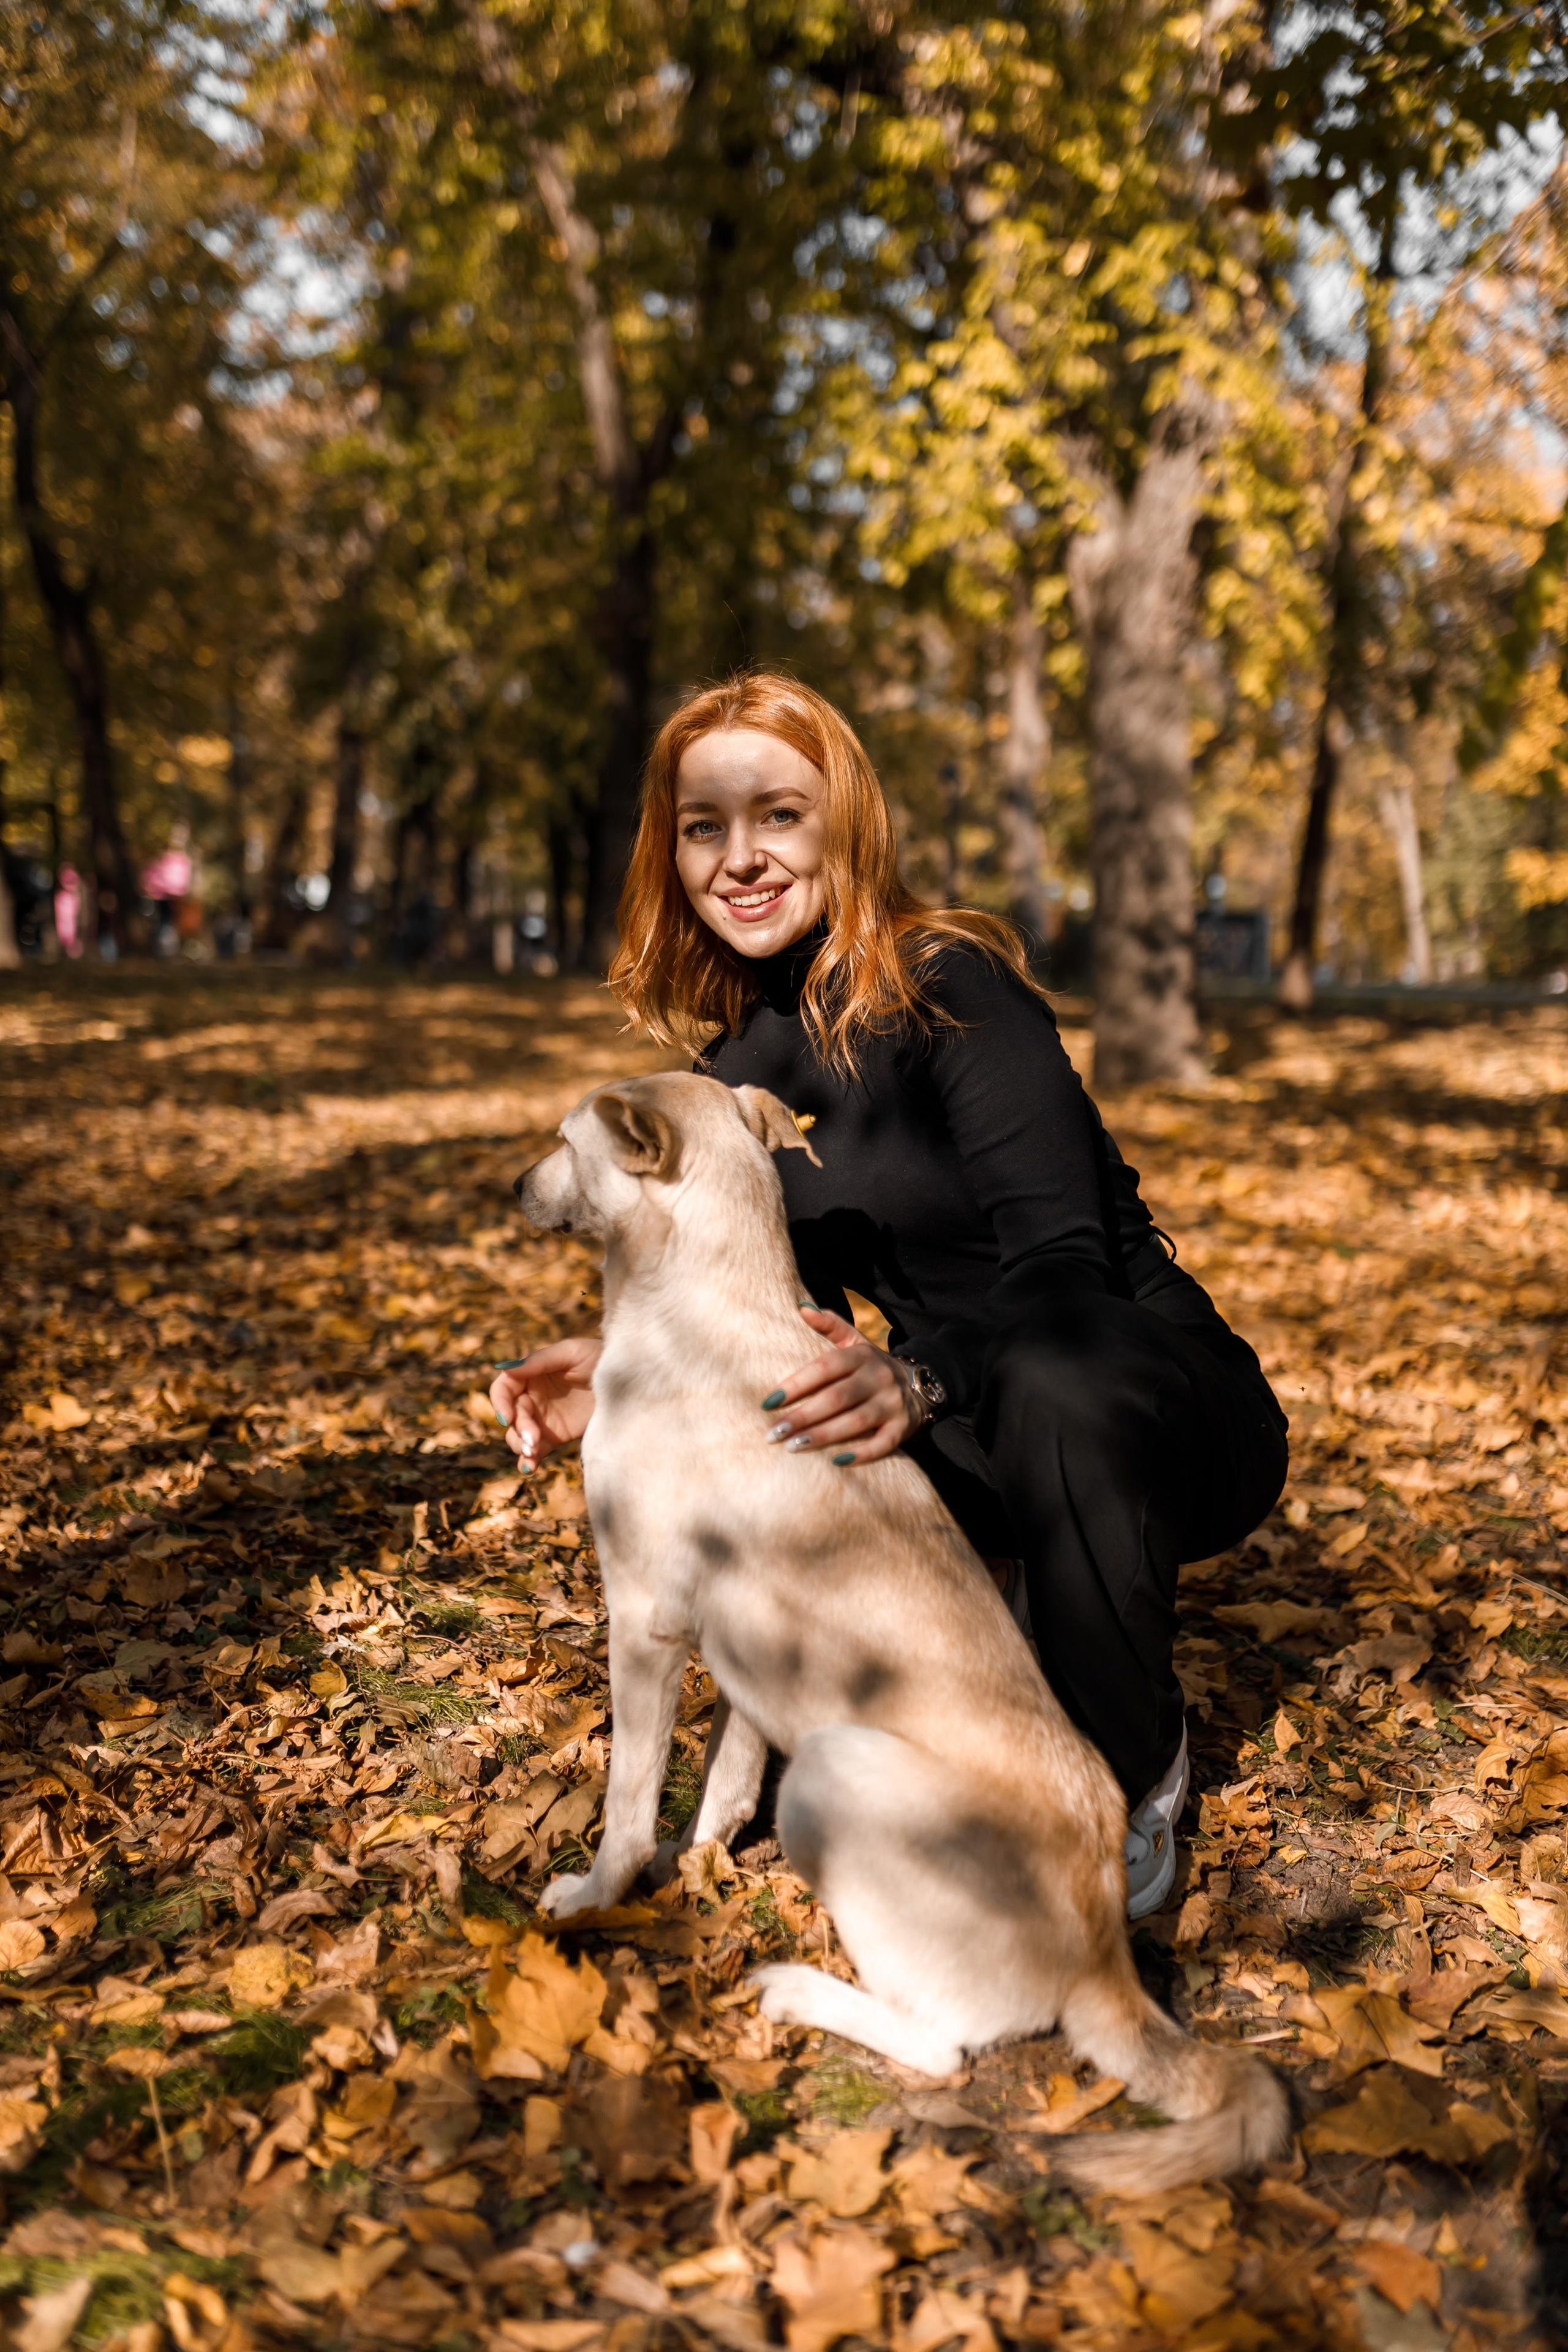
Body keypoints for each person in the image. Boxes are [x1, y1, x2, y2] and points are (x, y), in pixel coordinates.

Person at [489, 674, 1288, 1915]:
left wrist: (912, 1380)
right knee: (829, 1499)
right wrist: (606, 1368)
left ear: (843, 826)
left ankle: (1132, 1771)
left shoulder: (952, 985)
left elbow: (1065, 1272)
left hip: (1140, 1398)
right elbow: (763, 1306)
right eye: (704, 826)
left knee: (1054, 1375)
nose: (740, 858)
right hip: (950, 1425)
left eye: (778, 816)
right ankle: (1001, 1655)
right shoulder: (740, 1070)